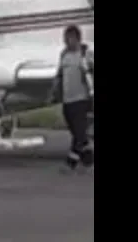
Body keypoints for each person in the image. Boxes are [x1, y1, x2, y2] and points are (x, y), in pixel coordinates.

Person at [49, 25, 94, 171]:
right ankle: (88, 160)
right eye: (65, 39)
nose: (67, 42)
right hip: (68, 100)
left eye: (69, 39)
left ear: (77, 39)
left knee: (79, 132)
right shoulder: (64, 55)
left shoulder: (85, 54)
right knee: (75, 131)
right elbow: (59, 74)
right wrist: (54, 91)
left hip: (82, 99)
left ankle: (71, 163)